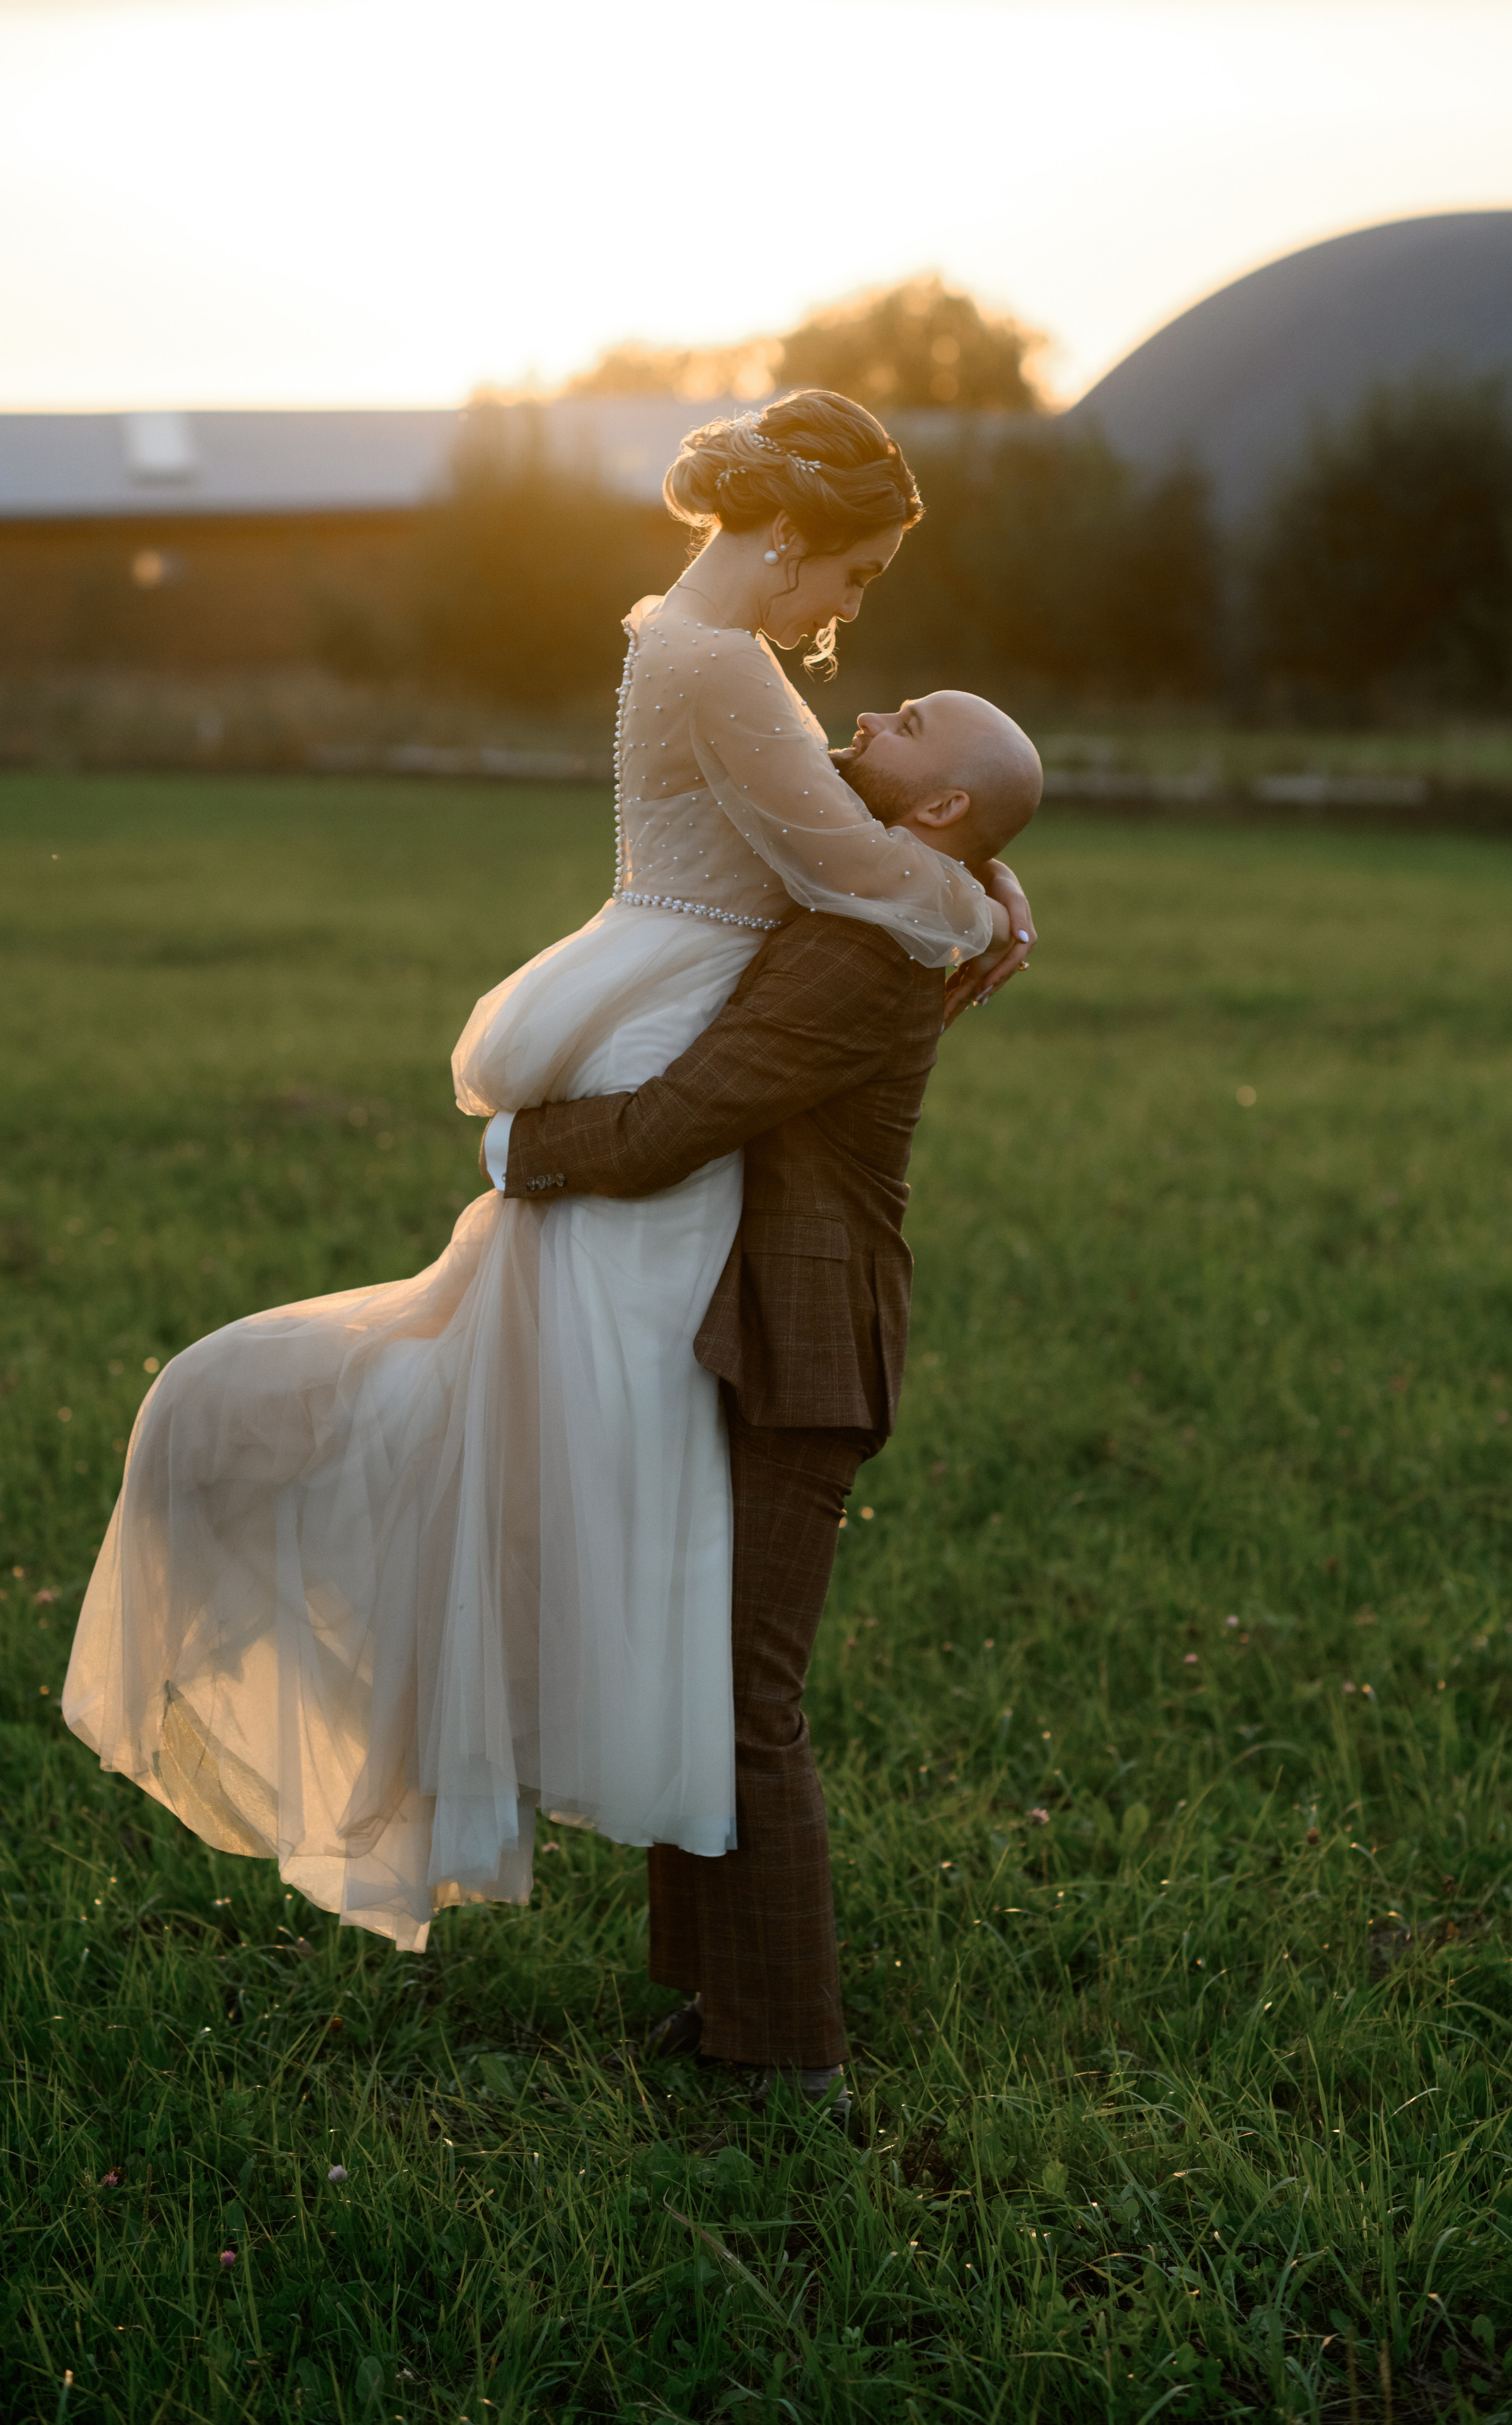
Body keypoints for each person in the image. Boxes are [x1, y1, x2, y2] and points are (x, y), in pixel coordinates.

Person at [61, 388, 1029, 1953]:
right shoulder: (725, 666)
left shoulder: (694, 644)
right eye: (854, 579)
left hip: (661, 1028)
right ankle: (656, 1813)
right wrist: (981, 903)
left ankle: (677, 1844)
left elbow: (865, 834)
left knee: (631, 1523)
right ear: (790, 538)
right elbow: (852, 864)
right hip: (659, 1057)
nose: (854, 618)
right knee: (604, 1497)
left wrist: (977, 856)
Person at [484, 690, 1042, 2113]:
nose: (866, 710)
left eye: (905, 721)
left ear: (933, 811)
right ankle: (716, 1995)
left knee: (743, 1692)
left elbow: (684, 1118)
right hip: (745, 1323)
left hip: (803, 1340)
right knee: (695, 1661)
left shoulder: (863, 954)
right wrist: (986, 889)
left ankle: (793, 2054)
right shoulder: (896, 893)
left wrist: (514, 1142)